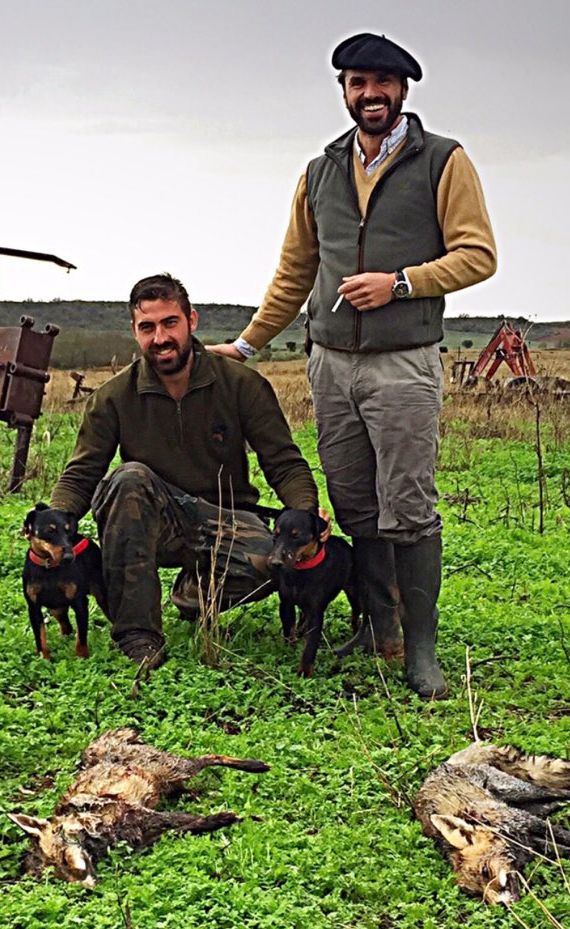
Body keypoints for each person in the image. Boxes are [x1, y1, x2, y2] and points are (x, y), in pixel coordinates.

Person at [211, 32, 497, 699]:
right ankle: (378, 629)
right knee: (354, 504)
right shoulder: (320, 172)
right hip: (330, 364)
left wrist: (399, 284)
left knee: (410, 508)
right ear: (343, 91)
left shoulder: (443, 160)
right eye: (357, 83)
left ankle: (420, 651)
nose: (370, 94)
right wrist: (247, 345)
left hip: (403, 362)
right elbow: (295, 270)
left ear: (402, 90)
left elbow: (478, 254)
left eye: (381, 83)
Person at [50, 273, 319, 668]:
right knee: (129, 478)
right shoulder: (113, 398)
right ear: (135, 331)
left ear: (191, 320)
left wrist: (306, 511)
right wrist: (54, 521)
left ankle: (193, 592)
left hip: (224, 517)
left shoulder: (241, 384)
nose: (160, 338)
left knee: (275, 563)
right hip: (152, 520)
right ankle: (138, 634)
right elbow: (81, 474)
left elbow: (283, 461)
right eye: (147, 327)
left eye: (170, 323)